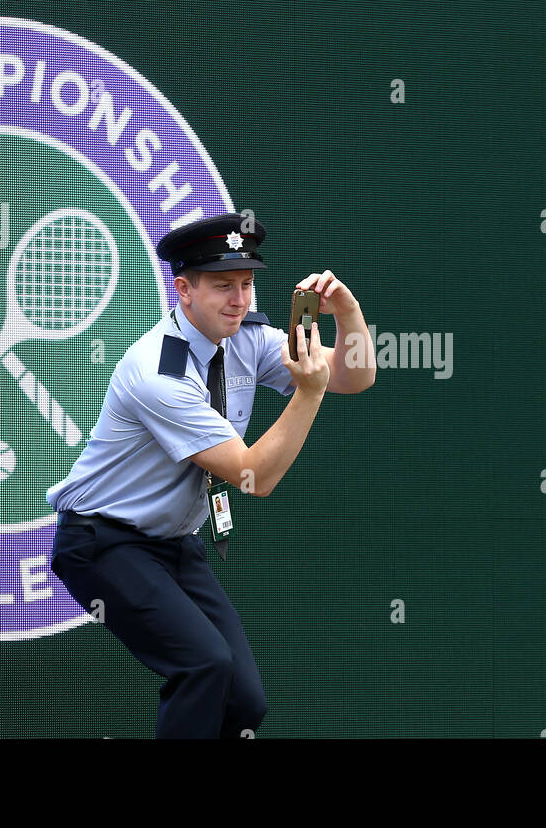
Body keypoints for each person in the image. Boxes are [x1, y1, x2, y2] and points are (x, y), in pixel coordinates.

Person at [46, 212, 375, 738]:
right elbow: (253, 477)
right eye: (223, 286)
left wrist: (348, 311)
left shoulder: (247, 338)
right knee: (203, 667)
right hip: (102, 544)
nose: (239, 300)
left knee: (244, 702)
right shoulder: (159, 368)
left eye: (246, 284)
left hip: (176, 545)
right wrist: (308, 392)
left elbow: (354, 377)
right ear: (183, 290)